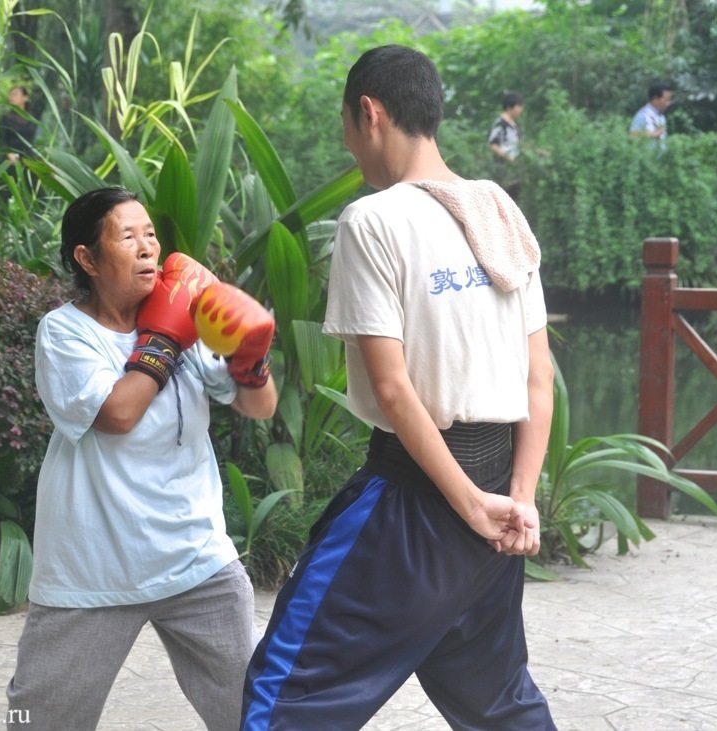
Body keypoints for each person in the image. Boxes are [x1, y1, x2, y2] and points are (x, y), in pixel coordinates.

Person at [241, 45, 557, 730]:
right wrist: (517, 499)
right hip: (497, 502)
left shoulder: (373, 219)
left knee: (283, 694)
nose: (353, 152)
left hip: (417, 500)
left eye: (349, 134)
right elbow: (539, 377)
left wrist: (470, 503)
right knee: (496, 700)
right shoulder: (499, 208)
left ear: (371, 113)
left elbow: (393, 388)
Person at [7, 187, 278, 731]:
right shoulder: (64, 332)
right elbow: (117, 414)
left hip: (196, 558)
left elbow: (260, 407)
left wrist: (251, 364)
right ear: (88, 258)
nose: (148, 248)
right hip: (93, 569)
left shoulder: (184, 315)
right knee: (45, 722)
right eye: (127, 237)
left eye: (151, 234)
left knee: (255, 714)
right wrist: (164, 338)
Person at [488, 90, 525, 200]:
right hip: (505, 168)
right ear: (510, 106)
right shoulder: (501, 123)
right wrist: (508, 158)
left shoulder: (513, 124)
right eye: (518, 106)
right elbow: (493, 144)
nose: (520, 110)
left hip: (515, 168)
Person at [0, 85, 37, 164]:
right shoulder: (6, 118)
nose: (11, 98)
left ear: (25, 98)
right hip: (11, 160)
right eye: (10, 95)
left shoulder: (31, 118)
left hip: (29, 159)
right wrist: (9, 154)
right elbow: (2, 141)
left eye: (15, 95)